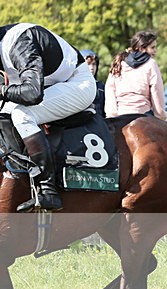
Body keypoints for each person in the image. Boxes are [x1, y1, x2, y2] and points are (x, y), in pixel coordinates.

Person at [0, 23, 97, 212]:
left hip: (77, 84)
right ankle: (21, 174)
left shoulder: (19, 44)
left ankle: (47, 188)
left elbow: (32, 94)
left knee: (23, 115)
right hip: (51, 86)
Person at [105, 30, 166, 120]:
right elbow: (157, 92)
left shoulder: (119, 63)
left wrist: (112, 116)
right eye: (152, 48)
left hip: (119, 117)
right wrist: (161, 116)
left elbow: (110, 90)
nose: (155, 51)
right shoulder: (151, 64)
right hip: (143, 115)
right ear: (142, 48)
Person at [80, 49, 106, 118]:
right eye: (88, 64)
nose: (92, 68)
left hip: (100, 123)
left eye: (94, 64)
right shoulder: (75, 86)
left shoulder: (101, 87)